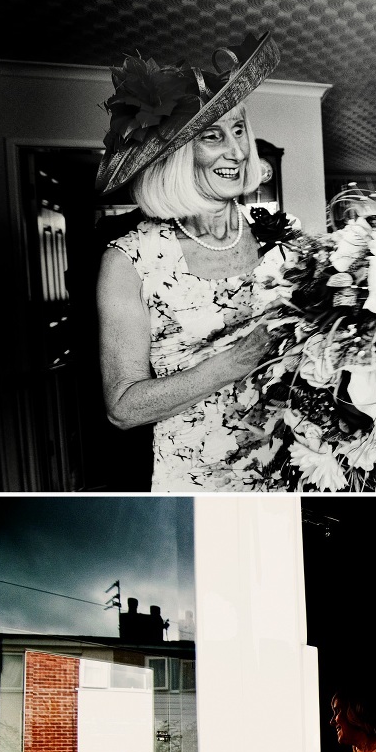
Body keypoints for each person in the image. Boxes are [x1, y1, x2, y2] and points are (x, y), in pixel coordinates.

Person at [95, 34, 282, 490]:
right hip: (202, 479)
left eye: (239, 130)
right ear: (176, 156)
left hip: (299, 465)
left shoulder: (282, 233)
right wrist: (237, 361)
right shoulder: (130, 262)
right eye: (213, 135)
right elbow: (123, 407)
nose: (237, 151)